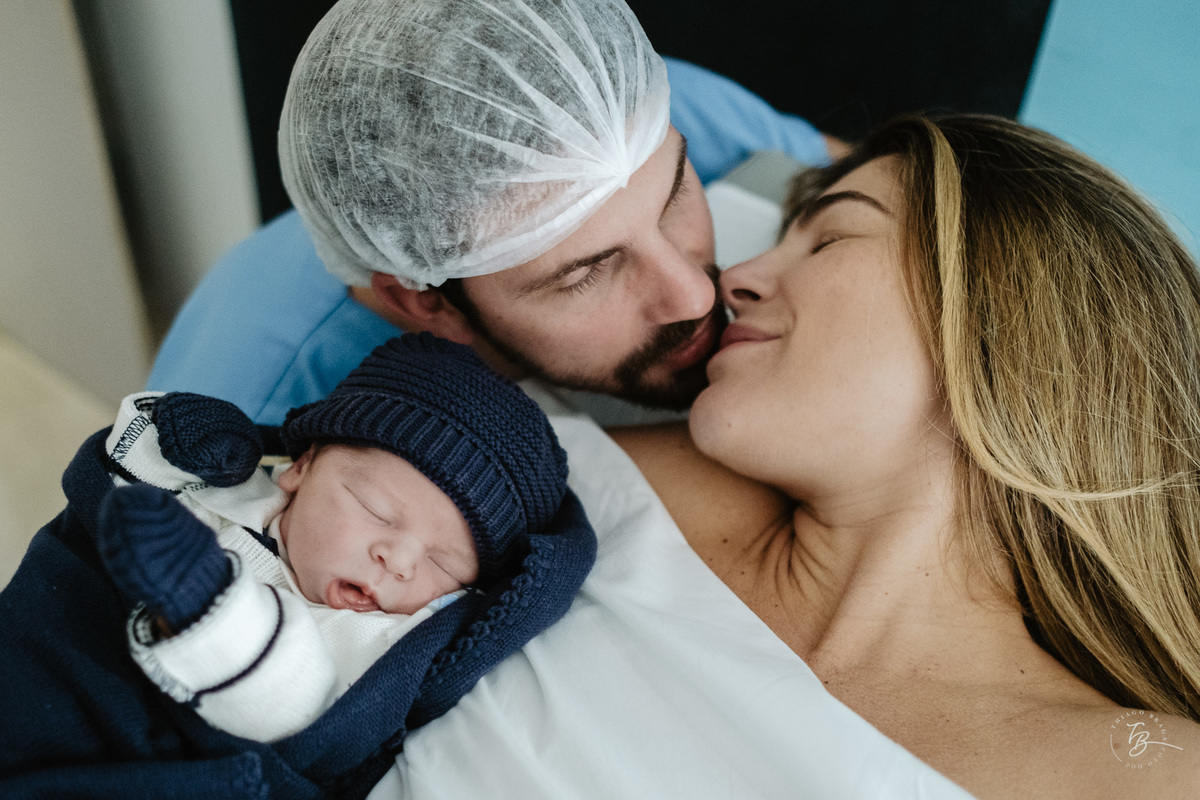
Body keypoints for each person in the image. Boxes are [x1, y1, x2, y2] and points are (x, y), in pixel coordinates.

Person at [609, 113, 1200, 796]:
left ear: (997, 315)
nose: (733, 280)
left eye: (828, 238)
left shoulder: (1156, 774)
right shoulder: (545, 470)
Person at [147, 0, 843, 425]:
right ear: (426, 306)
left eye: (675, 195)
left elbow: (880, 178)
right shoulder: (256, 421)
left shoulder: (615, 109)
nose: (694, 294)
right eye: (582, 276)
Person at [0, 334, 597, 798]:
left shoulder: (376, 634)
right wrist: (181, 432)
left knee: (288, 689)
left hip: (156, 750)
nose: (401, 559)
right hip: (50, 662)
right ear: (301, 466)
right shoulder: (230, 491)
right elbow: (128, 462)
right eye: (376, 510)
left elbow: (312, 734)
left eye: (445, 563)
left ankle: (219, 620)